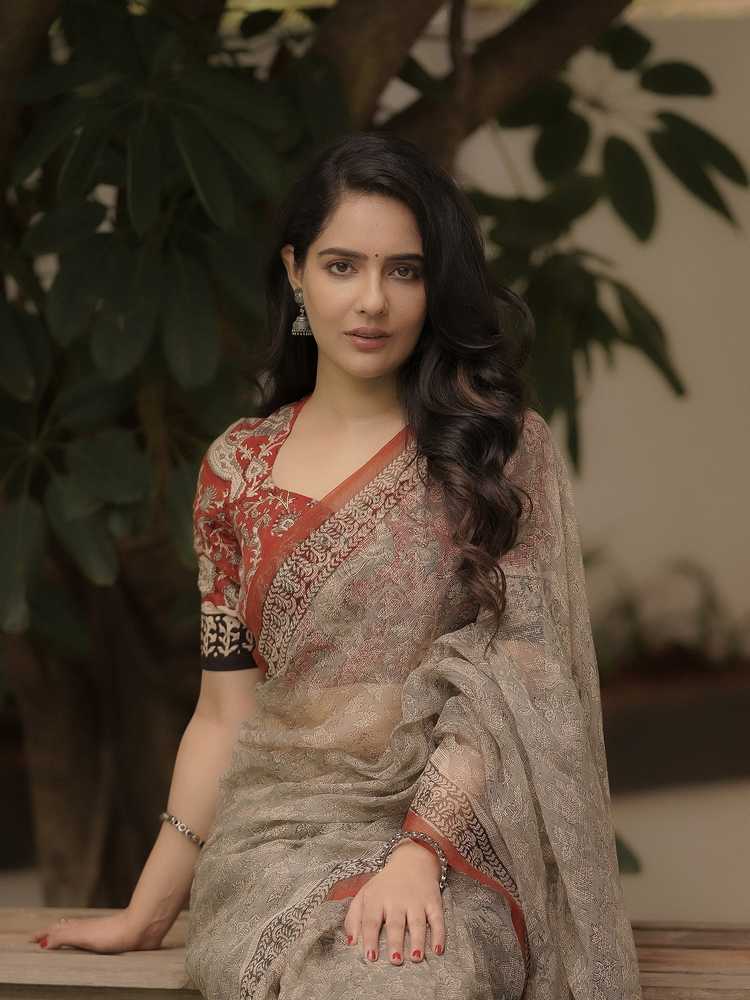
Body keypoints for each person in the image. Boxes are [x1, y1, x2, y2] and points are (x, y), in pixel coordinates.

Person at [30, 131, 642, 1000]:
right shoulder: (236, 469)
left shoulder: (496, 454)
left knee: (406, 975)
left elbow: (521, 683)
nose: (373, 301)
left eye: (405, 271)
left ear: (435, 286)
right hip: (277, 840)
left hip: (461, 841)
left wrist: (420, 852)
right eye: (343, 265)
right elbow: (223, 715)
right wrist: (147, 910)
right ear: (296, 272)